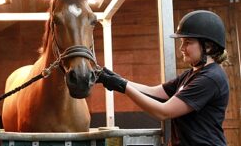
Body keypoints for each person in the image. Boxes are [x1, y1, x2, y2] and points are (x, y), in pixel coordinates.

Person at [97, 10, 229, 146]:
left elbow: (163, 112)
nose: (181, 48)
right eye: (182, 42)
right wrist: (116, 79)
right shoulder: (190, 74)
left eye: (188, 42)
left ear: (208, 46)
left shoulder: (210, 78)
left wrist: (122, 86)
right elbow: (152, 91)